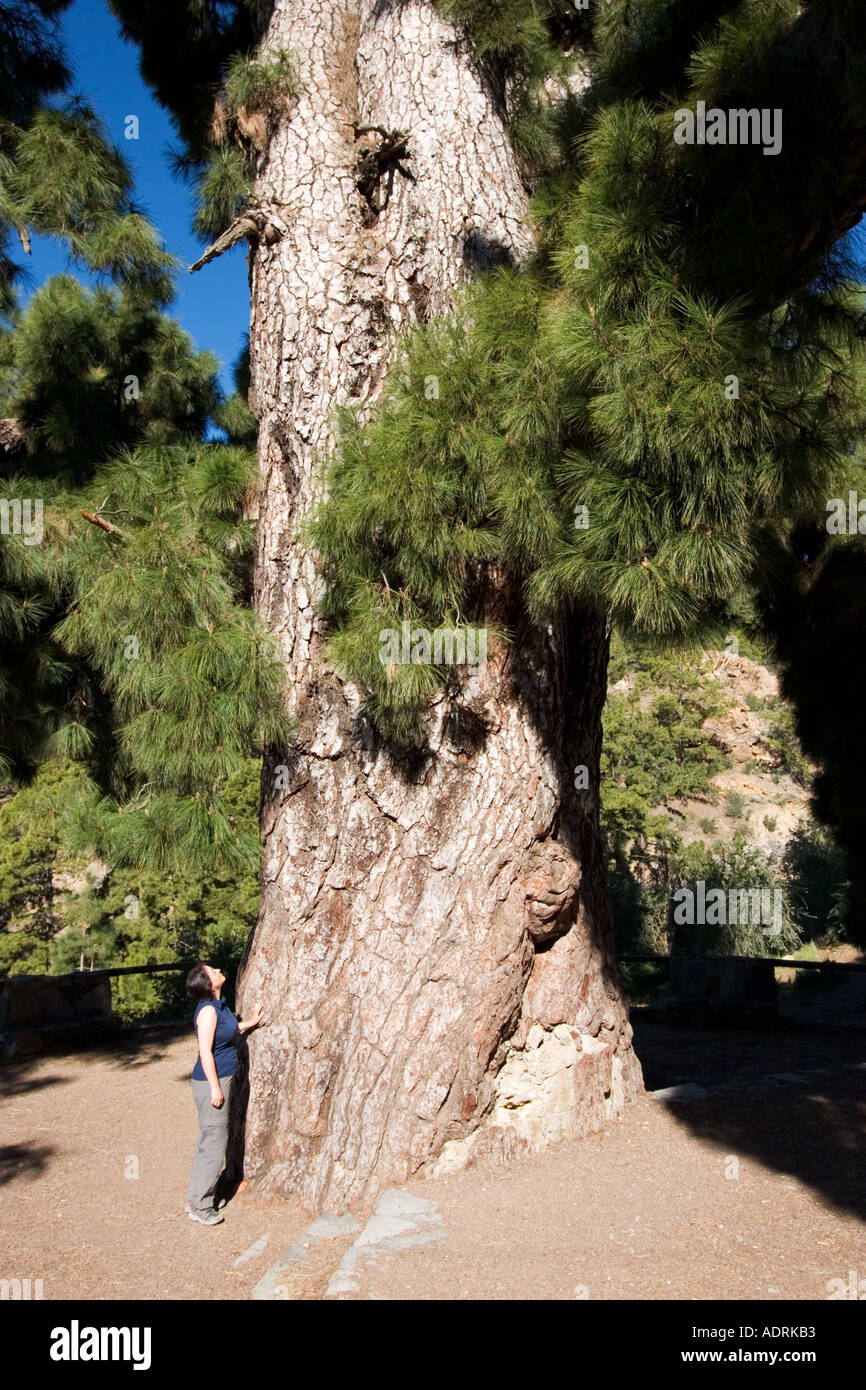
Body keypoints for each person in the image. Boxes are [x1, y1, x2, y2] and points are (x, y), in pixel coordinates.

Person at [184, 962, 264, 1225]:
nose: (217, 970)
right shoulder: (207, 1011)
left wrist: (251, 1022)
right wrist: (215, 1087)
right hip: (211, 1083)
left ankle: (195, 1197)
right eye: (211, 971)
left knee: (209, 1141)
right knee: (215, 1144)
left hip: (221, 1079)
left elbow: (230, 1030)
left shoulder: (219, 1006)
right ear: (208, 983)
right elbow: (205, 1051)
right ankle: (201, 1205)